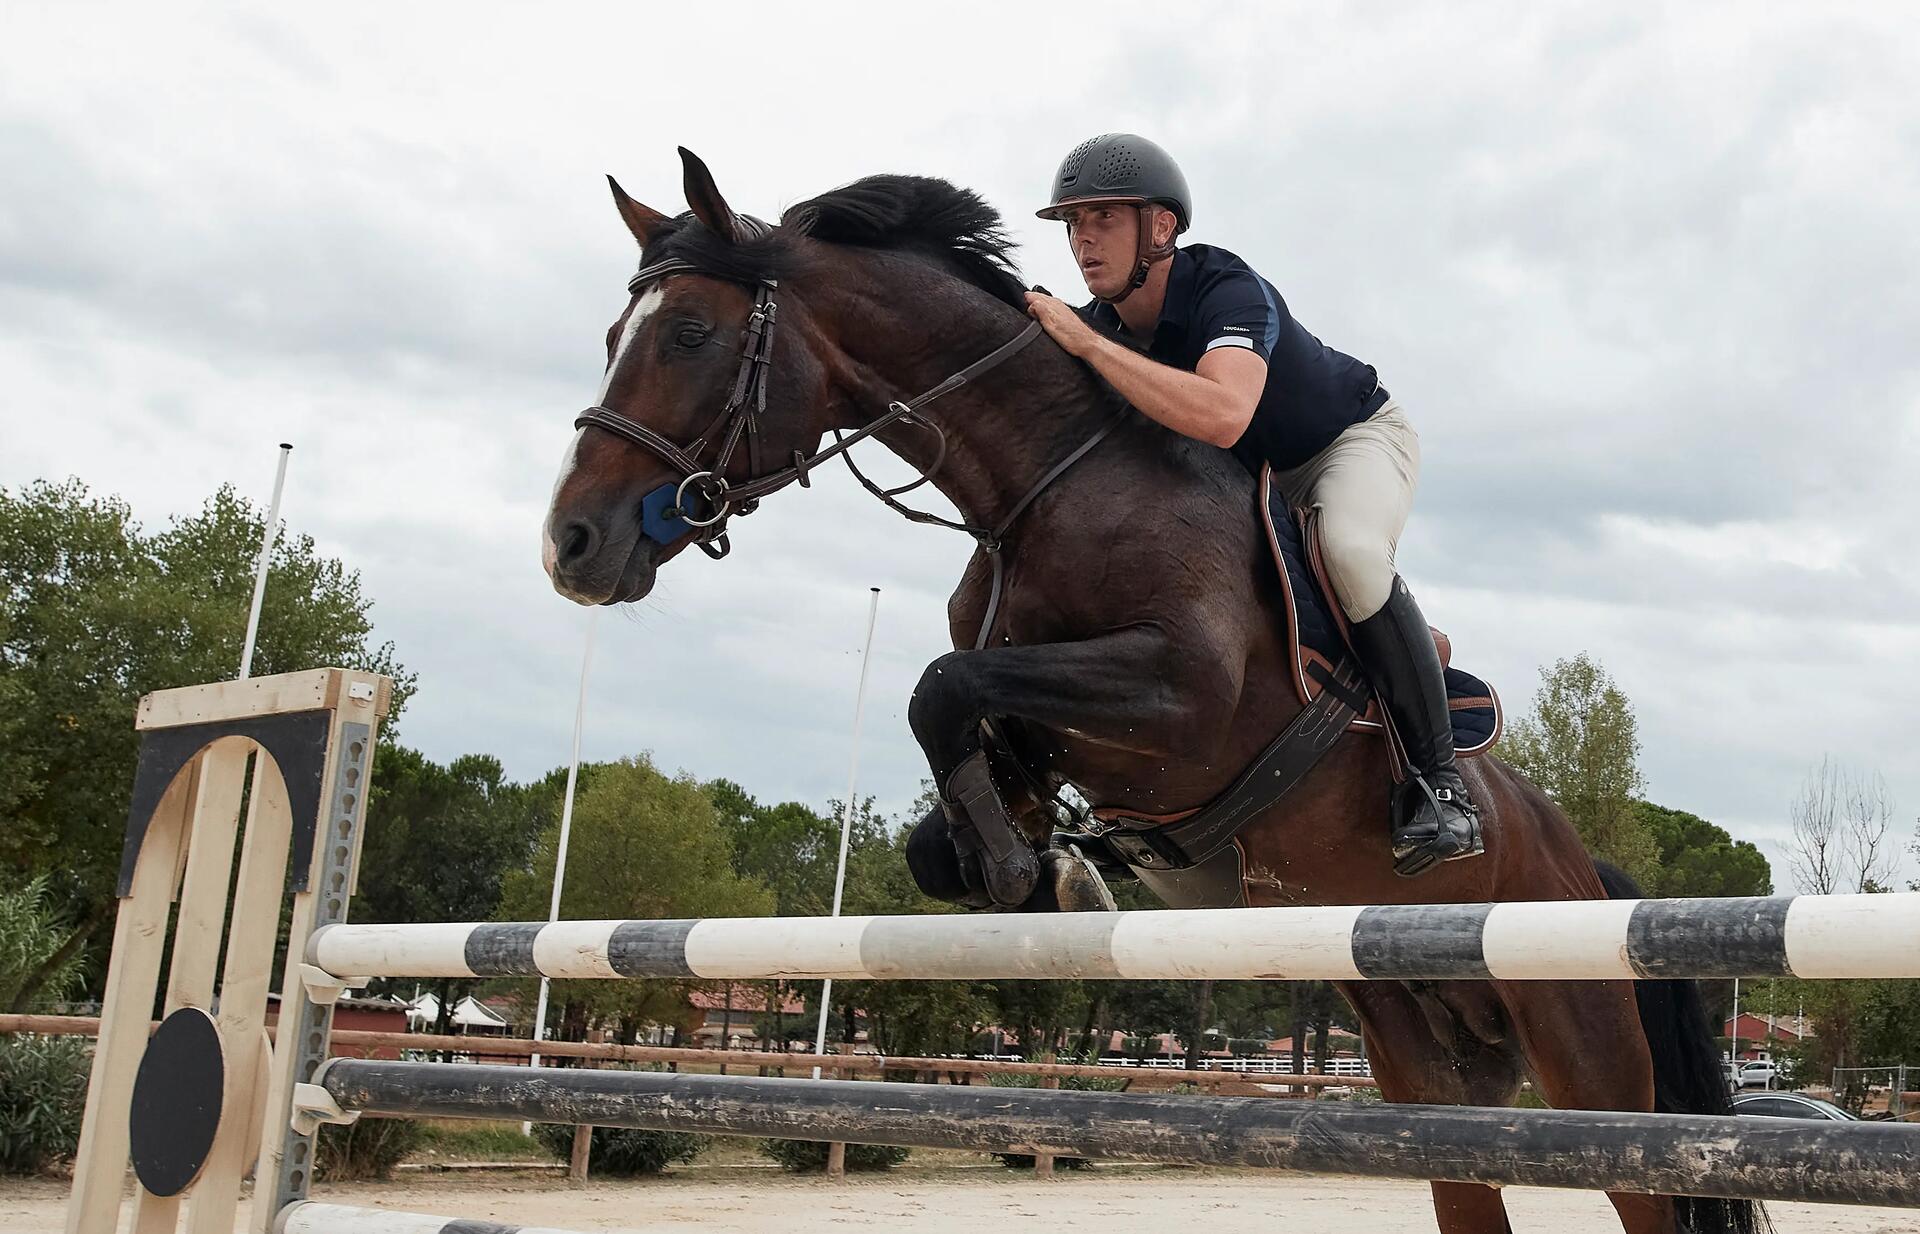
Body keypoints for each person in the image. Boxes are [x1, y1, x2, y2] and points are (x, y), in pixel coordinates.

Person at [1023, 133, 1479, 877]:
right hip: (1250, 481)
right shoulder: (1100, 327)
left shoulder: (1225, 289)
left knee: (1351, 554)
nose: (1083, 240)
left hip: (1345, 444)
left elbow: (1225, 416)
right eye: (1073, 223)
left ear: (1161, 227)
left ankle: (1440, 786)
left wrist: (1088, 347)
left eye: (1103, 217)